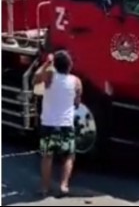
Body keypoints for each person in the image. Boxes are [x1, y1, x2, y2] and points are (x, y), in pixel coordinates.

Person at [33, 50, 82, 197]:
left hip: (48, 123)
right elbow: (77, 102)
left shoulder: (49, 77)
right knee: (68, 155)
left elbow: (35, 79)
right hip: (66, 124)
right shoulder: (76, 81)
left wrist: (46, 64)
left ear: (55, 65)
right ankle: (64, 185)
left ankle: (44, 188)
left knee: (47, 156)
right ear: (70, 65)